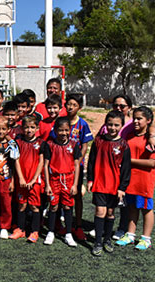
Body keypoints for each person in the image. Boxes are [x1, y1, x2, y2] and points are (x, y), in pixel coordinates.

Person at [87, 110, 131, 256]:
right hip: (100, 183)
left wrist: (122, 188)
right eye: (110, 124)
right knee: (100, 211)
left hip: (115, 185)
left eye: (116, 125)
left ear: (121, 126)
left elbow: (126, 168)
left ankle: (107, 240)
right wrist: (90, 179)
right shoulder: (98, 141)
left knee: (110, 213)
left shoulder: (124, 145)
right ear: (106, 125)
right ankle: (98, 242)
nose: (113, 128)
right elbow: (91, 162)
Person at [116, 106, 155, 251]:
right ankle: (130, 234)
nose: (135, 121)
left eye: (139, 118)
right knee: (132, 207)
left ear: (148, 121)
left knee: (146, 209)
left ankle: (146, 238)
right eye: (134, 118)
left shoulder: (152, 140)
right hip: (130, 181)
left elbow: (151, 163)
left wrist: (129, 160)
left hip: (144, 182)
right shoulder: (129, 136)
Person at [50, 93, 93, 241]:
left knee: (75, 196)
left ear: (79, 107)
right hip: (59, 168)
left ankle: (78, 226)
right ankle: (58, 226)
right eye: (68, 104)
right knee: (57, 196)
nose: (70, 107)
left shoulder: (82, 124)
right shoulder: (60, 123)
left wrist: (76, 163)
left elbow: (85, 146)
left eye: (74, 105)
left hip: (75, 168)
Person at [43, 117, 81, 247]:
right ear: (55, 130)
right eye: (60, 130)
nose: (63, 133)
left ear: (70, 130)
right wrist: (47, 184)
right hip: (54, 180)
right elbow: (46, 165)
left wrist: (75, 184)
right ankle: (51, 232)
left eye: (66, 130)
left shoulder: (74, 145)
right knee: (53, 206)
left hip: (68, 180)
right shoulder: (50, 145)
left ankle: (68, 233)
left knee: (67, 206)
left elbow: (77, 166)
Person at [9, 115, 44, 243]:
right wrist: (21, 178)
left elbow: (41, 163)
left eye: (32, 127)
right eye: (26, 127)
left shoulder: (41, 143)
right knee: (22, 205)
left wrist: (34, 179)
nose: (29, 130)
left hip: (34, 181)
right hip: (22, 180)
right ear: (22, 129)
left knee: (34, 206)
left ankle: (34, 231)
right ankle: (20, 229)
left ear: (37, 128)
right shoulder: (18, 143)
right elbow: (16, 161)